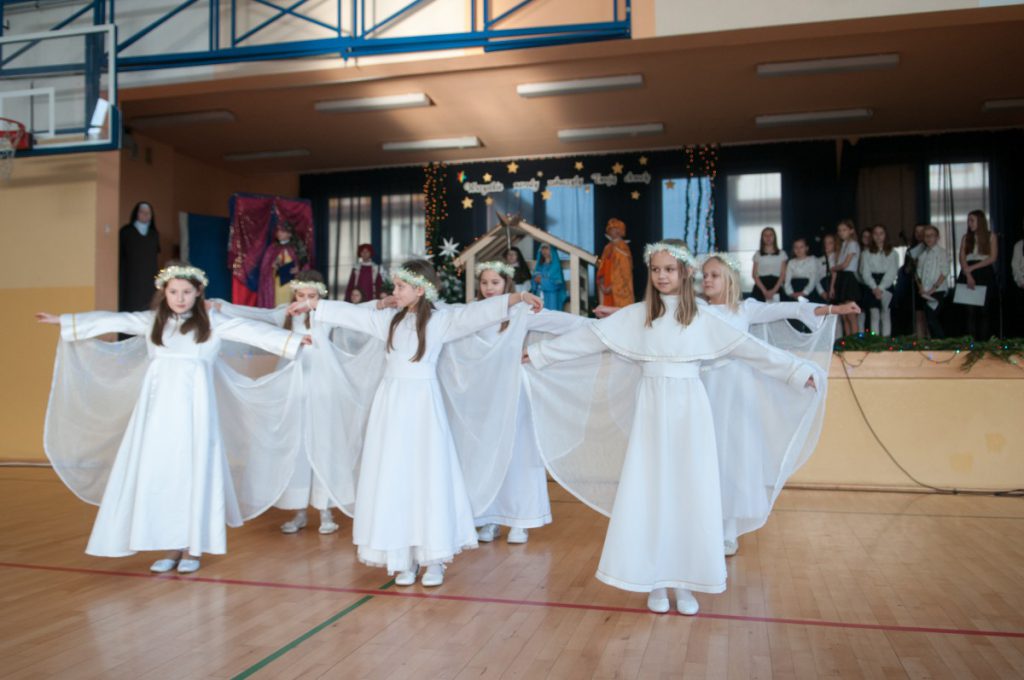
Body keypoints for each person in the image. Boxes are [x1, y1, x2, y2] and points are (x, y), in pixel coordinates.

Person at [523, 240, 818, 615]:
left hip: (690, 411)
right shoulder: (638, 316)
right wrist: (541, 353)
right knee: (651, 490)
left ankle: (686, 581)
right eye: (656, 270)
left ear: (684, 272)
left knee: (689, 492)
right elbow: (590, 338)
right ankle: (655, 580)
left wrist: (796, 372)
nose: (661, 276)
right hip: (651, 410)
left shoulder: (704, 319)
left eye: (669, 269)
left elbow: (749, 348)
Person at [38, 263, 309, 573]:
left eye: (186, 292)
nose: (180, 298)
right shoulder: (154, 321)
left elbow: (251, 330)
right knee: (162, 476)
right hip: (157, 415)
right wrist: (65, 321)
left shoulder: (212, 322)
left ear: (198, 293)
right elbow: (114, 319)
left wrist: (292, 341)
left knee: (193, 473)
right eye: (174, 292)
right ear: (164, 293)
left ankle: (193, 548)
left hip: (196, 414)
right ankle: (171, 545)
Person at [287, 261, 542, 587]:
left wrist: (517, 298)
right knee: (395, 477)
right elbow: (351, 315)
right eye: (394, 286)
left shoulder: (441, 321)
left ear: (420, 290)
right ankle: (402, 557)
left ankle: (433, 558)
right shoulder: (389, 321)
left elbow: (477, 314)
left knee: (427, 476)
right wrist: (313, 305)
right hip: (391, 408)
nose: (394, 292)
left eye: (400, 287)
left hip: (423, 407)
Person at [701, 253, 855, 556]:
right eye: (704, 275)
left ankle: (728, 530)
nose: (707, 280)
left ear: (729, 279)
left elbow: (789, 308)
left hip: (737, 390)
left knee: (735, 456)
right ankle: (704, 526)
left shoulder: (745, 309)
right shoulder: (697, 310)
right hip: (707, 388)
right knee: (708, 455)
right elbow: (658, 314)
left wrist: (834, 308)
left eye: (714, 275)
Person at [213, 270, 382, 535]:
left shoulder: (328, 313)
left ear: (320, 296)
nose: (305, 300)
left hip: (322, 385)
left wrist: (380, 304)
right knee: (296, 445)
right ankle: (299, 510)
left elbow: (357, 312)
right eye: (301, 295)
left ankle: (326, 510)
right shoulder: (286, 313)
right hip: (293, 384)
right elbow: (255, 315)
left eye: (311, 296)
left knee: (324, 443)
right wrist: (222, 307)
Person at [440, 261, 588, 546]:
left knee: (517, 453)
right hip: (484, 395)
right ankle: (489, 516)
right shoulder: (473, 312)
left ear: (507, 284)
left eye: (495, 282)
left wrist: (605, 326)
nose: (489, 288)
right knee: (485, 454)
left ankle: (521, 519)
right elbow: (443, 315)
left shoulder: (521, 312)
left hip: (512, 391)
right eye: (484, 282)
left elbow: (565, 323)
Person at [957, 209, 999, 339]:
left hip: (984, 272)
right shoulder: (966, 237)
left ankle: (983, 342)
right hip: (967, 272)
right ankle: (971, 341)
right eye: (968, 220)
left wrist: (973, 268)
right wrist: (968, 273)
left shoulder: (991, 236)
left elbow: (992, 257)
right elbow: (962, 257)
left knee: (984, 310)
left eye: (972, 220)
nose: (969, 223)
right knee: (969, 311)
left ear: (980, 221)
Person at [119, 202, 160, 313]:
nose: (145, 215)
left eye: (148, 213)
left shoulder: (154, 234)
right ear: (136, 214)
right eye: (142, 212)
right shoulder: (126, 232)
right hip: (130, 277)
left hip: (149, 277)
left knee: (149, 305)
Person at [860, 224, 900, 337]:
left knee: (885, 313)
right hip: (872, 284)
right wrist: (874, 288)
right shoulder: (866, 253)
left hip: (886, 284)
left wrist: (881, 288)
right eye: (875, 234)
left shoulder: (893, 253)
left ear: (885, 235)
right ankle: (875, 340)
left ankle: (886, 340)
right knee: (874, 314)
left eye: (881, 233)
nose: (878, 236)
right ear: (872, 236)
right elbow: (865, 273)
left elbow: (892, 272)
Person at [258, 221, 309, 308]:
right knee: (278, 304)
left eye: (283, 231)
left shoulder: (297, 247)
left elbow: (304, 263)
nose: (279, 233)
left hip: (292, 282)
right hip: (277, 283)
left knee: (290, 303)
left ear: (290, 234)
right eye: (278, 231)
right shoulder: (272, 248)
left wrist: (298, 268)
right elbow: (265, 267)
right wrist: (273, 266)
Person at [830, 219, 862, 336]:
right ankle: (847, 339)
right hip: (841, 278)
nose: (841, 233)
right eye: (839, 230)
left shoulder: (853, 244)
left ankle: (855, 340)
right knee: (844, 315)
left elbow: (845, 265)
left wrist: (834, 268)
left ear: (851, 231)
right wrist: (832, 286)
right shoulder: (842, 245)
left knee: (851, 314)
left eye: (844, 230)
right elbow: (838, 268)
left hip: (848, 277)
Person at [916, 225, 949, 338]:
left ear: (937, 237)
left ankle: (941, 342)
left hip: (937, 291)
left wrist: (933, 288)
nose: (929, 238)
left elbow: (944, 272)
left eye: (932, 235)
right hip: (925, 292)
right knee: (929, 320)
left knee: (932, 318)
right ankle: (934, 342)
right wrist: (920, 287)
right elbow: (918, 273)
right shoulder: (922, 255)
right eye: (926, 236)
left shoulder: (941, 252)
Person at [596, 218, 634, 306]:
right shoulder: (607, 248)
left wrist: (613, 286)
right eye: (612, 229)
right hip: (606, 286)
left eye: (617, 229)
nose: (615, 231)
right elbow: (602, 266)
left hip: (619, 290)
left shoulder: (623, 248)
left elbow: (626, 272)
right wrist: (602, 283)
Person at [752, 227, 787, 302]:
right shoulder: (757, 254)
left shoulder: (782, 254)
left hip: (776, 286)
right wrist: (764, 291)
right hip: (760, 287)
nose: (768, 237)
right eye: (765, 235)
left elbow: (783, 274)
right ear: (762, 238)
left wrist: (774, 291)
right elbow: (755, 275)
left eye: (771, 235)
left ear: (774, 237)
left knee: (778, 309)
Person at [532, 243, 568, 311]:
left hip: (552, 297)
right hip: (540, 295)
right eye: (542, 248)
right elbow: (534, 280)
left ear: (551, 250)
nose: (544, 251)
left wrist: (541, 281)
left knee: (551, 314)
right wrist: (536, 280)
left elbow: (556, 284)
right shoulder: (540, 266)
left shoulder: (555, 266)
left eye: (546, 248)